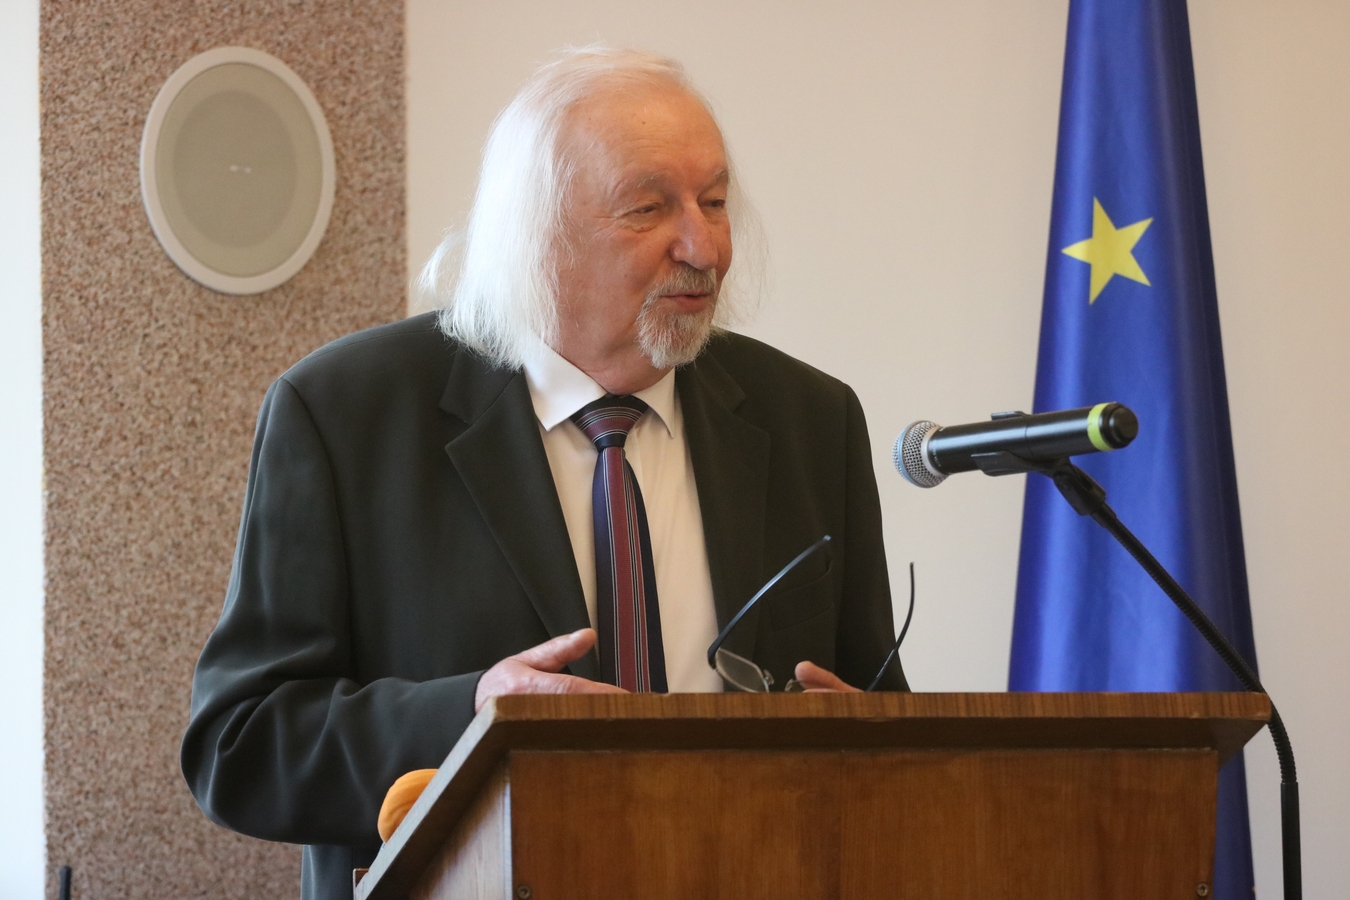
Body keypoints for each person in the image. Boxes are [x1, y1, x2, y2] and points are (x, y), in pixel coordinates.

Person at [181, 47, 907, 900]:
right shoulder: (345, 414)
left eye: (713, 202)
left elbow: (879, 712)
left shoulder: (811, 419)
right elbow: (240, 744)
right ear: (536, 233)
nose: (704, 245)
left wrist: (867, 744)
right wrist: (470, 716)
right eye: (649, 208)